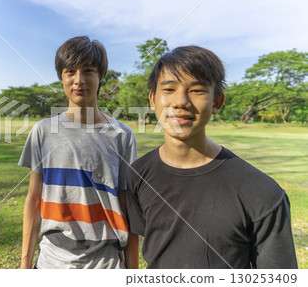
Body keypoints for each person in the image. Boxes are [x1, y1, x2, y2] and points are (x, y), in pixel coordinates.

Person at [126, 45, 298, 269]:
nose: (180, 102)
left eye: (197, 90)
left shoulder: (262, 192)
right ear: (152, 99)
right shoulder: (137, 176)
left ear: (217, 102)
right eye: (169, 89)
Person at [19, 36, 138, 269]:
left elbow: (127, 208)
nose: (79, 80)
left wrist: (132, 271)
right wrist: (24, 265)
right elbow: (34, 201)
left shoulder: (122, 135)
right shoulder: (43, 131)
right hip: (51, 262)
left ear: (101, 76)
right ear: (61, 77)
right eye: (70, 71)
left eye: (89, 70)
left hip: (106, 263)